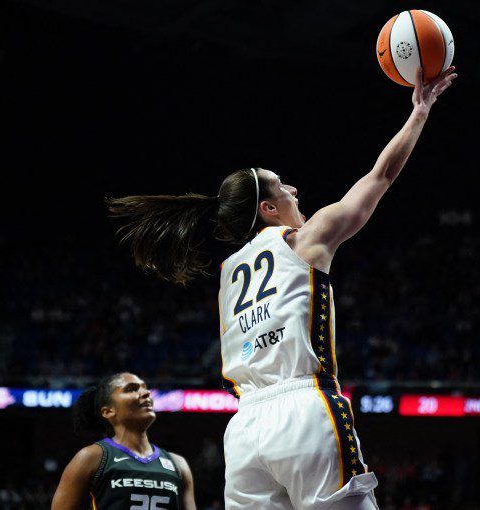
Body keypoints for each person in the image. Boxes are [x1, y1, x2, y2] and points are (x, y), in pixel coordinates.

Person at [107, 65, 457, 509]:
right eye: (283, 188)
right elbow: (380, 176)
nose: (295, 189)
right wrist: (420, 111)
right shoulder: (304, 240)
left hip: (245, 427)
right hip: (303, 410)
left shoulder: (229, 273)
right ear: (270, 208)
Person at [51, 372, 196, 510]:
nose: (146, 393)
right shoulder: (92, 457)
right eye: (131, 389)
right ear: (108, 411)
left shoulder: (177, 464)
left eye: (144, 388)